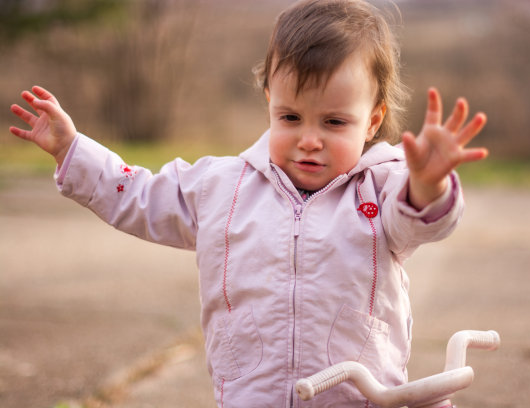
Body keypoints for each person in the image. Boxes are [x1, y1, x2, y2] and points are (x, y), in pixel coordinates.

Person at [9, 0, 487, 406]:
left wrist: (428, 184)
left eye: (334, 122)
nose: (309, 140)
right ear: (268, 103)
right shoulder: (223, 186)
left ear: (372, 120)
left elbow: (419, 222)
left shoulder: (383, 190)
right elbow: (140, 194)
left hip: (360, 396)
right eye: (291, 117)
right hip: (250, 395)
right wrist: (73, 151)